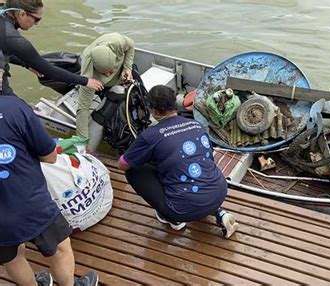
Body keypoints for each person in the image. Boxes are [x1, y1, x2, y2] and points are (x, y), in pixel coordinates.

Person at [0, 95, 99, 285]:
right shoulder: (14, 108)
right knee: (61, 249)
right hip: (30, 202)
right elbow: (50, 156)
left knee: (11, 257)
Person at [118, 85, 239, 239]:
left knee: (133, 170)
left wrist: (135, 154)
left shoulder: (151, 135)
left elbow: (123, 164)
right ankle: (219, 211)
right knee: (193, 164)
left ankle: (171, 218)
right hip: (219, 193)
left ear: (154, 111)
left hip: (181, 209)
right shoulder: (196, 125)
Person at [0, 0, 103, 97]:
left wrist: (27, 64)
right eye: (37, 19)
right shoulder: (13, 39)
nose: (36, 23)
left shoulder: (4, 16)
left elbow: (5, 48)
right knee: (19, 110)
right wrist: (86, 81)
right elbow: (49, 71)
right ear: (21, 14)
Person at [75, 32, 135, 151]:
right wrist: (82, 141)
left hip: (121, 74)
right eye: (104, 73)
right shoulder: (88, 74)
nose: (108, 74)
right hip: (99, 83)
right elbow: (83, 108)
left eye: (110, 70)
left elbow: (131, 46)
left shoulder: (117, 41)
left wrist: (127, 67)